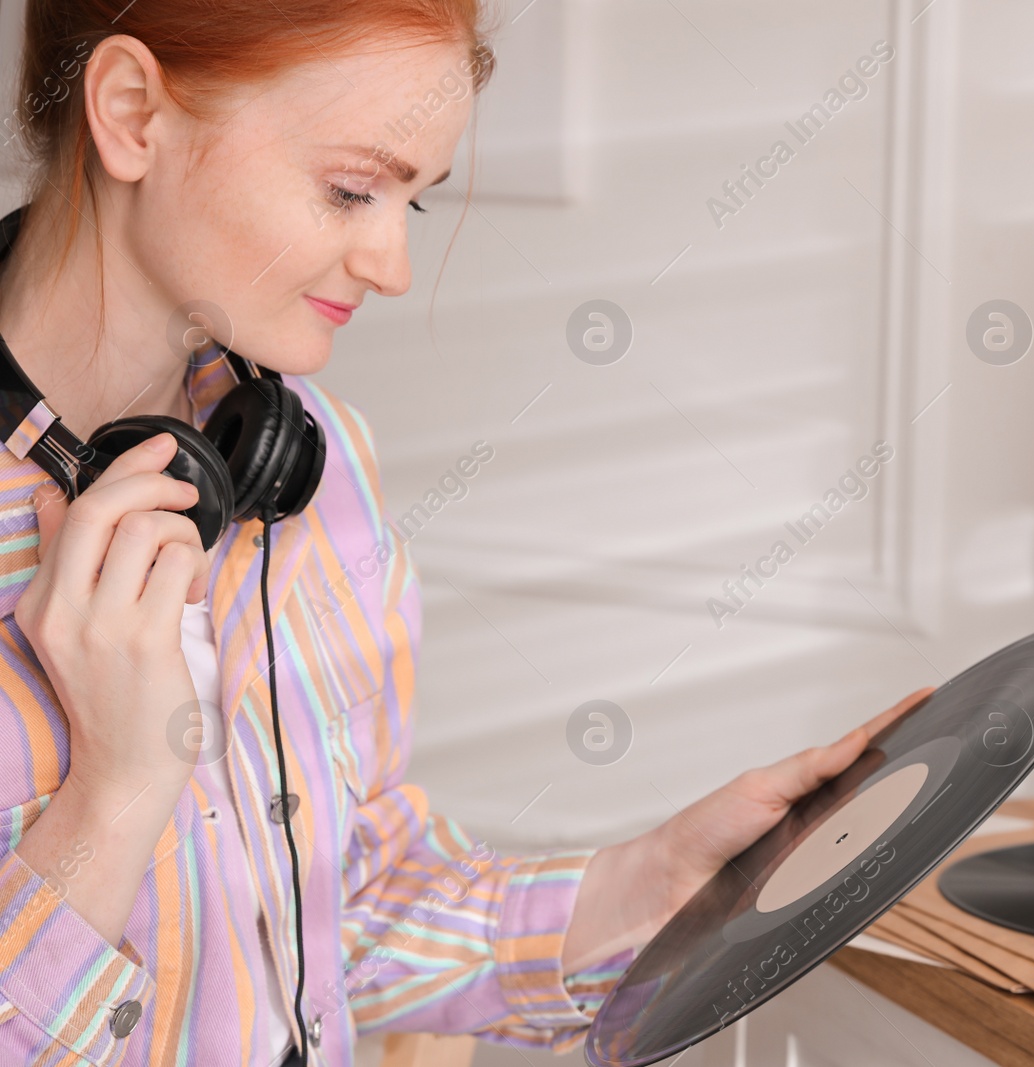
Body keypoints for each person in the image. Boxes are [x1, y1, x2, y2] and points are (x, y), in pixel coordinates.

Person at [0, 3, 934, 1064]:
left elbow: (348, 908)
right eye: (351, 188)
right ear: (131, 112)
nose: (391, 264)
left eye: (413, 202)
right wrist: (115, 793)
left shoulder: (314, 471)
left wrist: (659, 878)